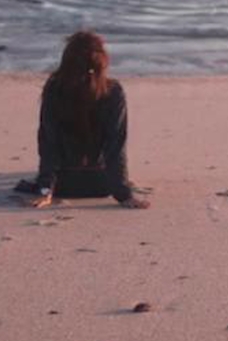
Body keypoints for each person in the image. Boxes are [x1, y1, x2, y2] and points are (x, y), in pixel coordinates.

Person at [18, 30, 149, 208]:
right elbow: (115, 147)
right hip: (101, 185)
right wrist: (124, 195)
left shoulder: (54, 88)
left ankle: (48, 183)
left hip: (63, 186)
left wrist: (45, 190)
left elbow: (48, 143)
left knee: (55, 148)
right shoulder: (113, 91)